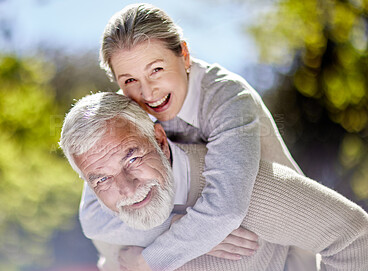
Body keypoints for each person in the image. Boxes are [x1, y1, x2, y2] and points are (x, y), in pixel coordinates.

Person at [82, 3, 308, 270]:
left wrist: (148, 260)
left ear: (185, 55)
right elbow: (94, 220)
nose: (148, 92)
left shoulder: (229, 98)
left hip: (284, 248)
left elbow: (226, 210)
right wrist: (176, 225)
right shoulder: (122, 118)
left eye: (156, 70)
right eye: (130, 80)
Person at [60, 92, 368, 271]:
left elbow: (354, 238)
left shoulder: (243, 186)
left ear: (159, 140)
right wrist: (185, 234)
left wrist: (203, 227)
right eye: (100, 178)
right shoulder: (109, 215)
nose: (126, 189)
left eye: (131, 157)